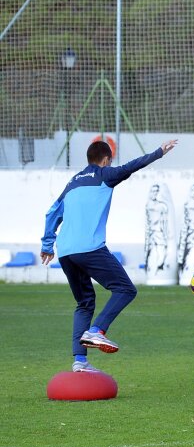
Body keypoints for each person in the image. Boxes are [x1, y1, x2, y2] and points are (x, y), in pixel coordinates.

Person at [40, 139, 177, 373]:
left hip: (66, 252)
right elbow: (132, 167)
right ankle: (97, 330)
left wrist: (48, 244)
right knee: (125, 289)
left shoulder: (72, 183)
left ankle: (80, 361)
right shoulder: (104, 175)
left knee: (84, 303)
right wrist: (158, 152)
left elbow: (52, 211)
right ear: (106, 160)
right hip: (90, 248)